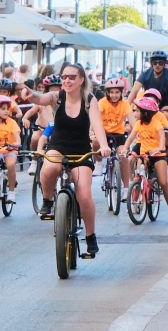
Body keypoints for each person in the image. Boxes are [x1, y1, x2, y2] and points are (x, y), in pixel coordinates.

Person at [22, 62, 110, 257]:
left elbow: (97, 124)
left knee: (84, 195)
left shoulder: (89, 100)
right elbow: (40, 98)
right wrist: (31, 94)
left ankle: (90, 236)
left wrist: (103, 145)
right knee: (49, 169)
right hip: (58, 146)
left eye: (72, 77)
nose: (67, 80)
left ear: (81, 80)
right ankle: (47, 200)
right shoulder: (57, 97)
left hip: (81, 150)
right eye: (64, 77)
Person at [121, 93, 168, 209]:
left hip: (158, 155)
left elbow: (162, 136)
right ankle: (135, 203)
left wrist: (160, 147)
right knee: (138, 177)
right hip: (144, 154)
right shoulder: (138, 124)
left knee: (163, 182)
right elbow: (131, 138)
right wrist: (125, 148)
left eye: (137, 111)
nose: (134, 113)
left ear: (145, 113)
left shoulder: (156, 124)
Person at [99, 76, 134, 198]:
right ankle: (98, 163)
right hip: (104, 134)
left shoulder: (125, 104)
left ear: (121, 93)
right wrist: (91, 131)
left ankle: (125, 188)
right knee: (95, 142)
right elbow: (95, 120)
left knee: (123, 156)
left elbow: (133, 122)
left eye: (117, 92)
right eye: (112, 92)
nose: (114, 95)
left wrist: (137, 131)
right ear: (107, 93)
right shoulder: (102, 103)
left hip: (119, 136)